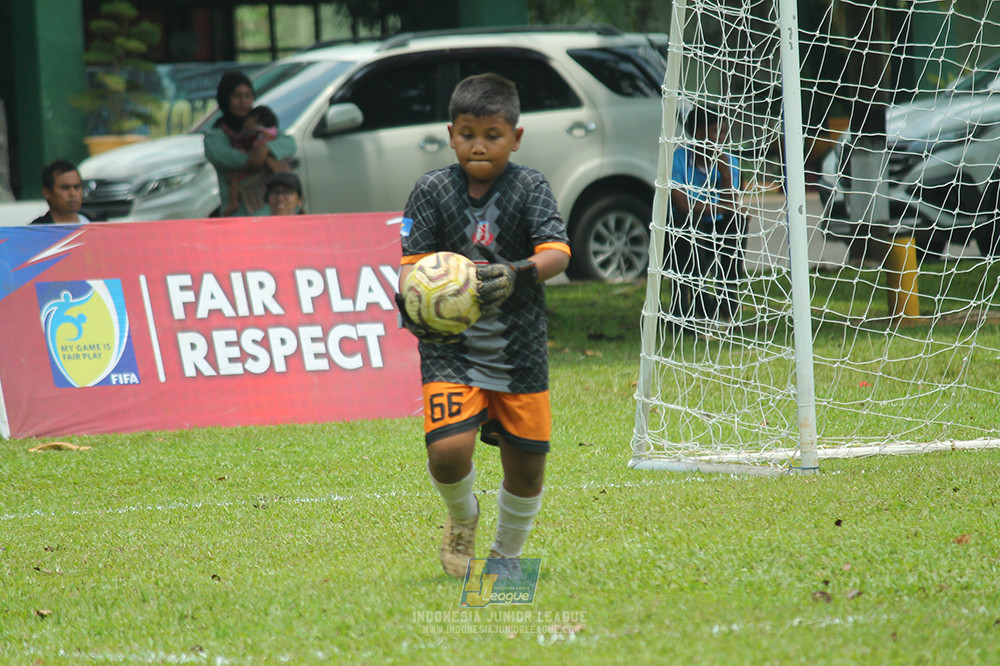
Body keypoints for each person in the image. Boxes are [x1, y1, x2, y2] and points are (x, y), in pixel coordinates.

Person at [396, 73, 571, 578]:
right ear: (450, 134)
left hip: (520, 351)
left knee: (527, 466)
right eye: (467, 133)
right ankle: (461, 517)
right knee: (448, 452)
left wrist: (516, 274)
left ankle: (507, 556)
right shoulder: (431, 190)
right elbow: (412, 264)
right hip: (451, 346)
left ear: (515, 138)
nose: (478, 145)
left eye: (492, 135)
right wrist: (413, 297)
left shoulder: (530, 185)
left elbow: (557, 253)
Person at [668, 106, 745, 324]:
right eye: (716, 132)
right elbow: (683, 206)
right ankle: (702, 301)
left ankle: (728, 301)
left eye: (724, 133)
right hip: (680, 232)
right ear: (699, 133)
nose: (722, 139)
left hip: (716, 228)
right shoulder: (678, 159)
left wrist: (725, 173)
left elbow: (733, 205)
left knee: (737, 222)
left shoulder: (730, 162)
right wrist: (722, 208)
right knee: (689, 223)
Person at [204, 72, 296, 217]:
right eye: (237, 96)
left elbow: (290, 143)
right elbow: (228, 158)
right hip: (241, 218)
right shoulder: (215, 136)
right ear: (225, 98)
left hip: (274, 213)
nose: (244, 101)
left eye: (248, 96)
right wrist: (264, 157)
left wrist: (266, 149)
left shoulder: (259, 122)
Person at [221, 105, 292, 216]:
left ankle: (233, 203)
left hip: (258, 168)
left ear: (255, 118)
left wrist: (231, 135)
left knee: (234, 179)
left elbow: (243, 144)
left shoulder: (254, 134)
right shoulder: (273, 133)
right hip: (271, 168)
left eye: (246, 120)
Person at [30, 160, 91, 225]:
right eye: (65, 188)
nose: (73, 194)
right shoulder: (35, 231)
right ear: (47, 192)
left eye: (76, 187)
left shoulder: (94, 224)